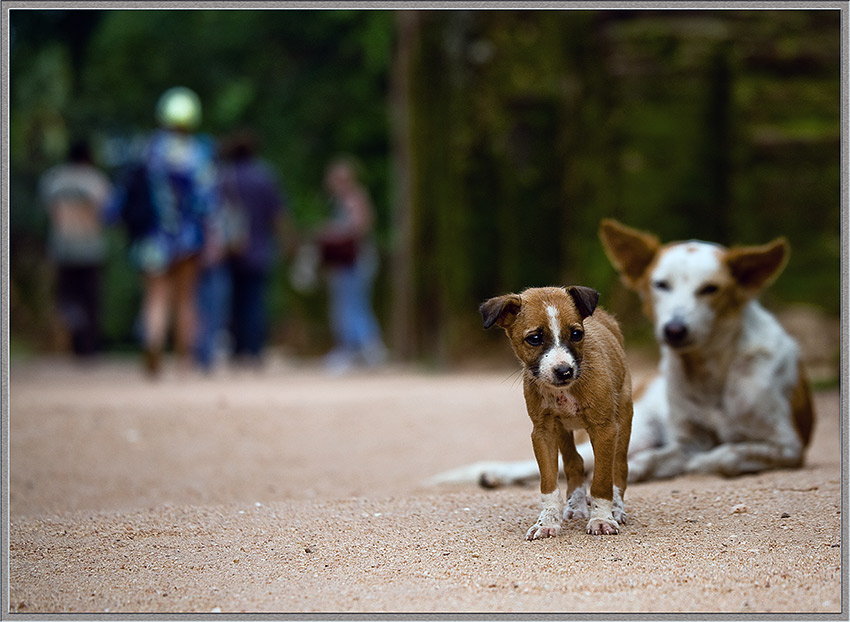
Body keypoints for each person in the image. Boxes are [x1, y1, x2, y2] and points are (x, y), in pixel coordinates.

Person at [113, 86, 217, 376]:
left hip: (153, 238)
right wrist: (210, 234)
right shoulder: (198, 154)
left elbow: (123, 195)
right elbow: (207, 201)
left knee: (155, 296)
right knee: (186, 298)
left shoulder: (149, 150)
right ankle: (184, 360)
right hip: (187, 237)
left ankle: (153, 341)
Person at [212, 128, 288, 368]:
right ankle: (254, 350)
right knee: (255, 300)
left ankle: (237, 348)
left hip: (231, 248)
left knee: (233, 299)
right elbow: (277, 215)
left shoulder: (223, 177)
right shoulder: (265, 176)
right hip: (259, 249)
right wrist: (287, 240)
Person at [39, 139, 113, 358]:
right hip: (91, 247)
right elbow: (108, 212)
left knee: (66, 297)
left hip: (62, 247)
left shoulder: (53, 179)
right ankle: (88, 346)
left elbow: (48, 211)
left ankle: (70, 340)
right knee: (90, 299)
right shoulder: (95, 180)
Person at [317, 157, 387, 374]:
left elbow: (359, 226)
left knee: (352, 305)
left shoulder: (353, 199)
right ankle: (358, 350)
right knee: (348, 304)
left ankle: (365, 349)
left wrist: (332, 233)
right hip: (347, 263)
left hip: (355, 261)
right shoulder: (342, 201)